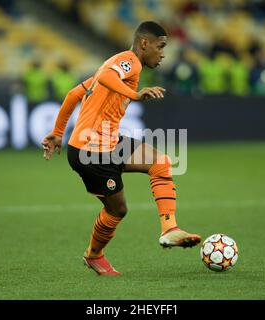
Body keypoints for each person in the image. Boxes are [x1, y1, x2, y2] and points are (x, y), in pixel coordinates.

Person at [41, 21, 201, 276]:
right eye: (160, 47)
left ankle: (170, 229)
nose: (162, 54)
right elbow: (106, 76)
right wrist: (136, 95)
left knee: (160, 162)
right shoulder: (129, 61)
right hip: (90, 152)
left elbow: (74, 94)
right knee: (117, 209)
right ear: (144, 43)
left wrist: (58, 133)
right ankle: (94, 255)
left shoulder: (118, 64)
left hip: (107, 143)